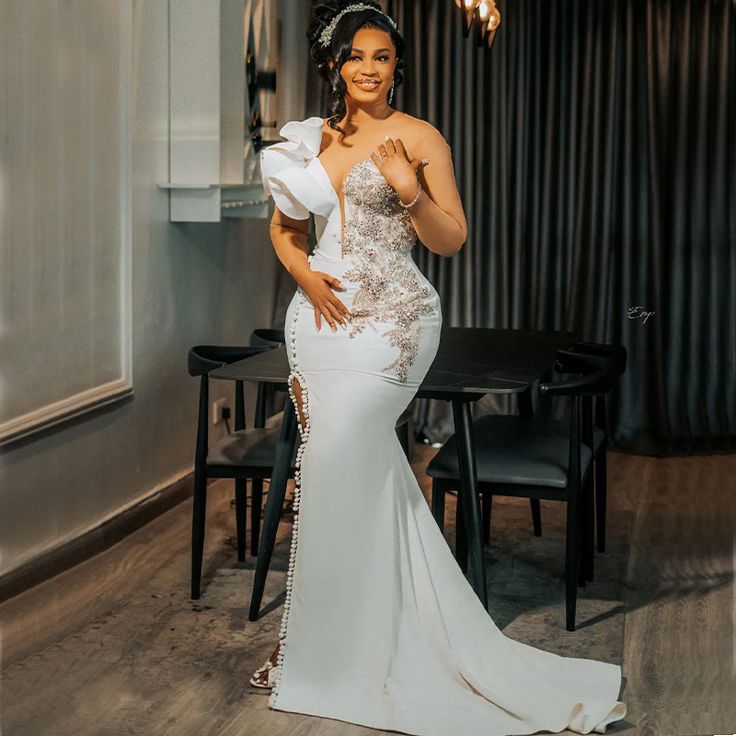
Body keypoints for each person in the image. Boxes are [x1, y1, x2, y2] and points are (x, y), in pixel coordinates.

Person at [252, 3, 627, 735]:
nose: (370, 68)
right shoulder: (309, 139)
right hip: (322, 323)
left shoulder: (418, 136)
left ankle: (339, 651)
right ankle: (326, 644)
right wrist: (304, 277)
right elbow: (283, 228)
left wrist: (409, 189)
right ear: (335, 65)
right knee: (347, 474)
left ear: (397, 67)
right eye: (357, 56)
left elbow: (451, 239)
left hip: (393, 323)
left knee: (337, 461)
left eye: (384, 57)